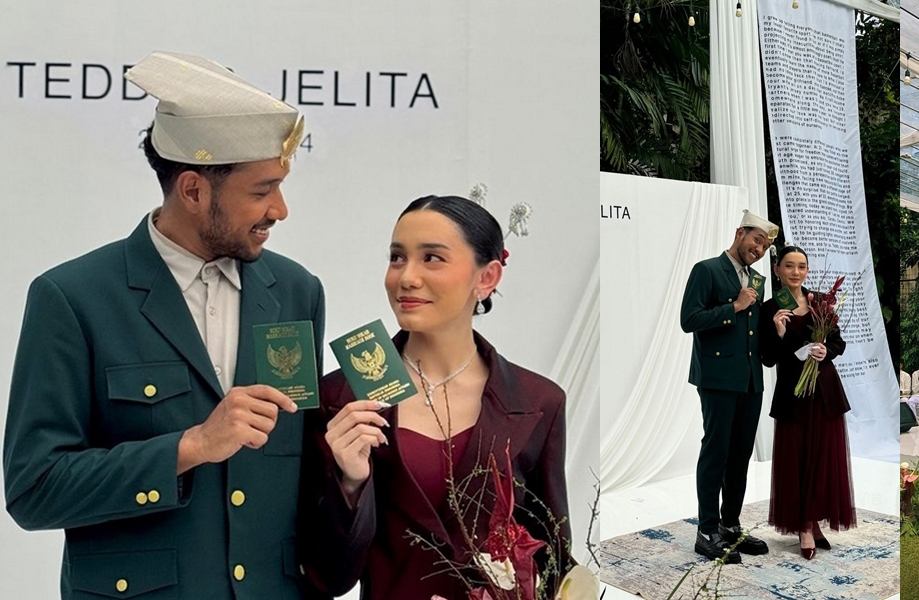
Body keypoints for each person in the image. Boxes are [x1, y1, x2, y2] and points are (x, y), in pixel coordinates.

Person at [2, 51, 324, 599]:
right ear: (194, 190)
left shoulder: (297, 292)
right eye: (261, 190)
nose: (281, 209)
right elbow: (34, 490)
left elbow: (297, 475)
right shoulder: (73, 298)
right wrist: (191, 446)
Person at [299, 196, 569, 599]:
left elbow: (554, 560)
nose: (406, 277)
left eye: (432, 258)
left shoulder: (538, 401)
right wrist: (351, 483)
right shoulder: (340, 398)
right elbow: (327, 577)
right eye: (396, 257)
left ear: (487, 276)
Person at [680, 209, 776, 563]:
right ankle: (706, 531)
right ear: (740, 233)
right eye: (756, 240)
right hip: (717, 377)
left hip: (751, 378)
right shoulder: (707, 270)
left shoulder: (759, 280)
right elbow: (688, 320)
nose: (759, 249)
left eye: (764, 246)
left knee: (740, 455)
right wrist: (733, 306)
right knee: (716, 452)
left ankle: (730, 526)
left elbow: (754, 331)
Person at [758, 246, 855, 560]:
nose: (796, 272)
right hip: (792, 396)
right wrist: (779, 330)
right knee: (797, 462)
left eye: (801, 266)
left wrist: (827, 351)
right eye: (789, 266)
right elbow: (768, 358)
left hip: (824, 394)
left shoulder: (821, 302)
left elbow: (837, 342)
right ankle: (803, 525)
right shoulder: (771, 308)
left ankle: (813, 521)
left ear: (807, 271)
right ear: (778, 270)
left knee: (821, 462)